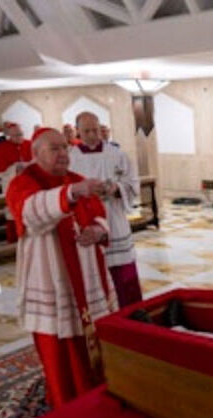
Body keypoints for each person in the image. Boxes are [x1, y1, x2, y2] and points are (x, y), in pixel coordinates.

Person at [6, 128, 117, 408]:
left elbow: (99, 215)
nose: (63, 154)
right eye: (54, 149)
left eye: (65, 148)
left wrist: (97, 230)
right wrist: (69, 194)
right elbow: (30, 213)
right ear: (36, 154)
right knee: (59, 340)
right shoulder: (23, 182)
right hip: (51, 273)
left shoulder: (76, 180)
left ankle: (98, 388)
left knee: (93, 335)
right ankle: (66, 398)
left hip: (86, 272)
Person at [70, 111, 142, 307]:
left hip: (114, 217)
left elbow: (133, 183)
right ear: (78, 131)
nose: (93, 135)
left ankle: (132, 312)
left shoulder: (116, 154)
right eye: (87, 131)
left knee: (123, 269)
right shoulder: (70, 158)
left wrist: (115, 188)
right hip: (87, 220)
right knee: (94, 271)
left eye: (95, 130)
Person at [0, 123, 32, 242]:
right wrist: (14, 169)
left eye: (20, 134)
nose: (19, 137)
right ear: (9, 135)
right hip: (11, 186)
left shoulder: (30, 145)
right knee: (12, 213)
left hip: (30, 185)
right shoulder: (2, 148)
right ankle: (13, 242)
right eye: (15, 135)